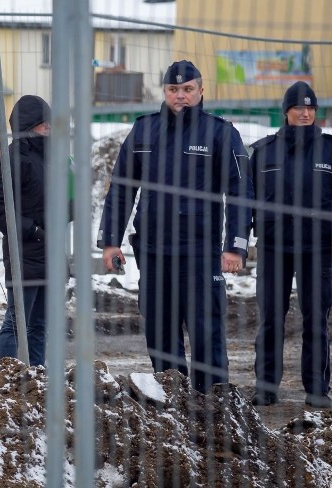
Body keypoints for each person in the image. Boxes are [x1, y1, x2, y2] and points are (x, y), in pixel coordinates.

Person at [97, 60, 253, 394]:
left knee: (205, 330)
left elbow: (240, 193)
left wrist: (235, 246)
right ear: (164, 92)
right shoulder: (143, 131)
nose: (180, 96)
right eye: (173, 90)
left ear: (200, 90)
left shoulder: (221, 134)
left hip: (200, 253)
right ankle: (173, 400)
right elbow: (122, 188)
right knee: (159, 331)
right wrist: (111, 241)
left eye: (187, 89)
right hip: (154, 253)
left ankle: (214, 405)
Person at [249, 81, 332, 409]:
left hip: (318, 247)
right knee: (271, 317)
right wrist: (240, 242)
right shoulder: (263, 151)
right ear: (286, 111)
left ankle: (316, 390)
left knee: (316, 318)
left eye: (310, 108)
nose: (305, 112)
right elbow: (246, 201)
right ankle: (266, 387)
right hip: (273, 248)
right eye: (298, 107)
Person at [0, 95, 61, 366]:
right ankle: (8, 380)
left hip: (49, 254)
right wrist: (34, 230)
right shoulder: (14, 158)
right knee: (17, 321)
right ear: (31, 126)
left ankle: (37, 379)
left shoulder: (50, 159)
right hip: (24, 254)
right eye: (46, 125)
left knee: (39, 324)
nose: (50, 130)